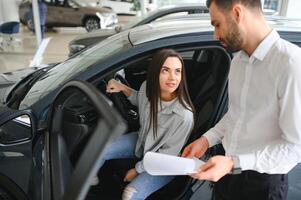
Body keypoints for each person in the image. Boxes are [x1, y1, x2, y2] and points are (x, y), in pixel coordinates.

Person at [182, 0, 301, 200]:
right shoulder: (237, 61)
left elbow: (295, 147)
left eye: (217, 24)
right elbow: (237, 115)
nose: (215, 35)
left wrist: (233, 162)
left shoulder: (291, 64)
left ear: (237, 13)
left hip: (262, 186)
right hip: (227, 173)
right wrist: (206, 140)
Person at [99, 49, 194, 200]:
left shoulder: (184, 116)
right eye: (165, 71)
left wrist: (137, 170)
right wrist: (122, 87)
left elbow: (166, 156)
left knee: (130, 194)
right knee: (101, 149)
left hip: (165, 164)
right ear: (155, 72)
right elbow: (139, 98)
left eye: (177, 71)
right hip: (142, 141)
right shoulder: (147, 87)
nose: (172, 78)